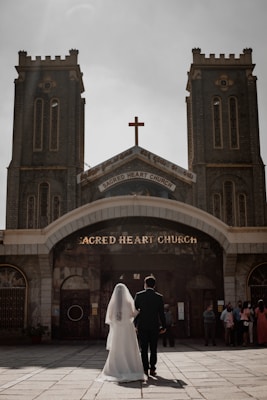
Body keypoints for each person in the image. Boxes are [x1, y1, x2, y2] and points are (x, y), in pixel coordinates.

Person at [98, 283, 145, 382]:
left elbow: (109, 318)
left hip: (118, 329)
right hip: (127, 328)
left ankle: (115, 369)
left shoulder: (113, 304)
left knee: (117, 348)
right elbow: (133, 314)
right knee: (129, 348)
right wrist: (138, 312)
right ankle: (131, 368)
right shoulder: (128, 302)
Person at [134, 275, 166, 377]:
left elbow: (135, 311)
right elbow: (161, 313)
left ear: (145, 284)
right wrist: (164, 326)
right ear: (154, 285)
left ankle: (145, 369)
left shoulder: (139, 295)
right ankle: (152, 368)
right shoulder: (159, 297)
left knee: (143, 348)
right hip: (154, 326)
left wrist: (135, 325)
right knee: (153, 348)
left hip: (142, 326)